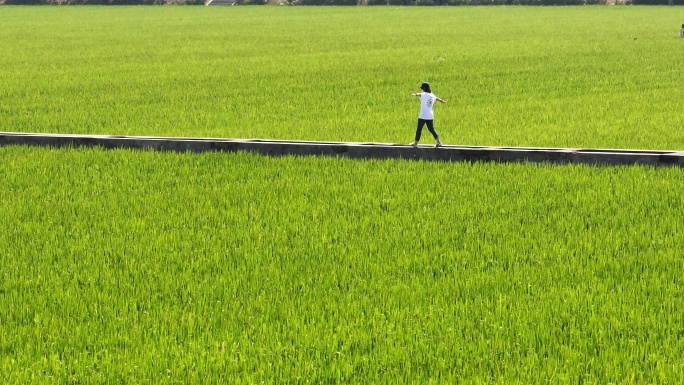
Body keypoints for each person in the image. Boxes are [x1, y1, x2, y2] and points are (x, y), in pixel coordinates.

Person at [409, 82, 446, 148]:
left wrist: (415, 94)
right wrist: (442, 101)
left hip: (423, 115)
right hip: (430, 116)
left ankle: (415, 143)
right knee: (431, 129)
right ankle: (439, 142)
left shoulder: (423, 94)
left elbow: (419, 94)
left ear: (424, 88)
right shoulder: (432, 95)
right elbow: (437, 98)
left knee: (419, 129)